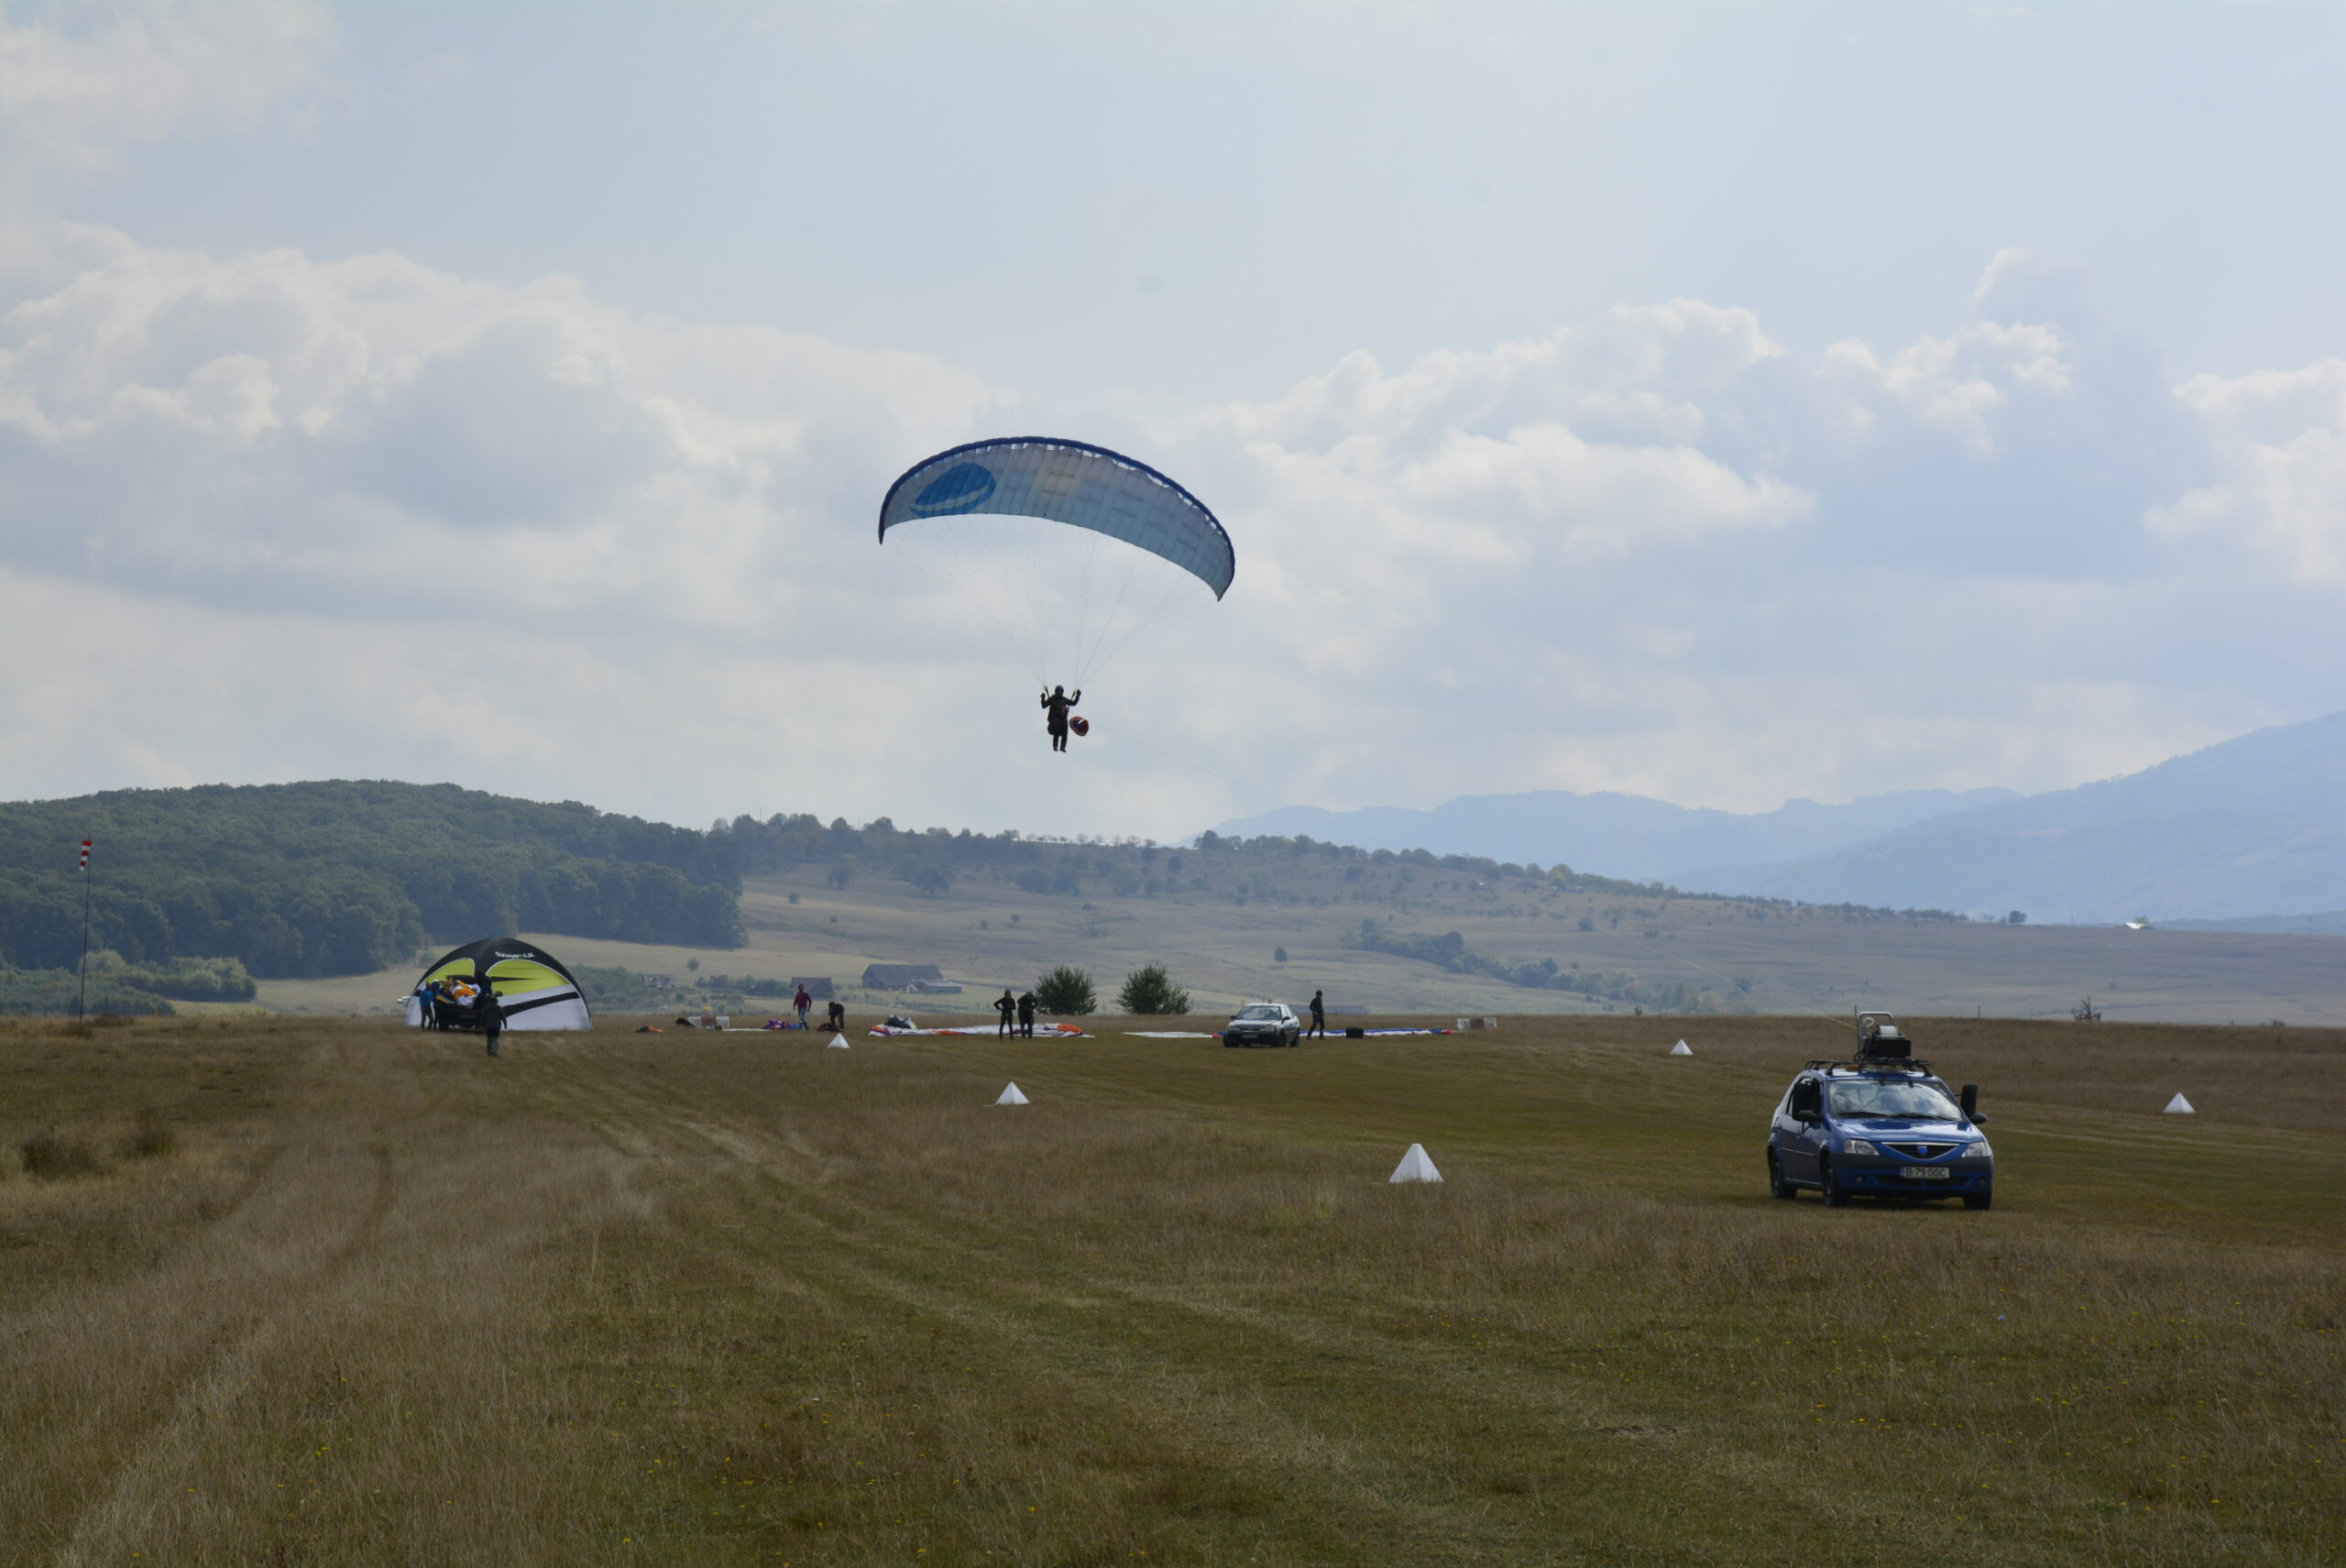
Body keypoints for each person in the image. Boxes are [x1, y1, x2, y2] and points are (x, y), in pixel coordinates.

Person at [1040, 685, 1083, 752]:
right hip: (1054, 721)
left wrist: (1078, 695)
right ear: (1055, 692)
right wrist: (1043, 698)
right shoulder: (1052, 699)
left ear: (1062, 692)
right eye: (1058, 691)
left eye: (1060, 691)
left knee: (1065, 730)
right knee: (1057, 727)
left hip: (1063, 720)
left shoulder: (1064, 700)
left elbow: (1073, 703)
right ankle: (1055, 746)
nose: (1059, 693)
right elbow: (1044, 705)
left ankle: (1062, 747)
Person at [480, 985, 506, 1058]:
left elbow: (483, 1017)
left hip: (488, 1026)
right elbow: (503, 1017)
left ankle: (489, 1053)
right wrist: (505, 1025)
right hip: (496, 1026)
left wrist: (482, 1025)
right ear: (496, 1002)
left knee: (489, 1040)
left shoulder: (486, 1009)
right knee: (495, 1040)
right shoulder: (499, 1008)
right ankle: (494, 1052)